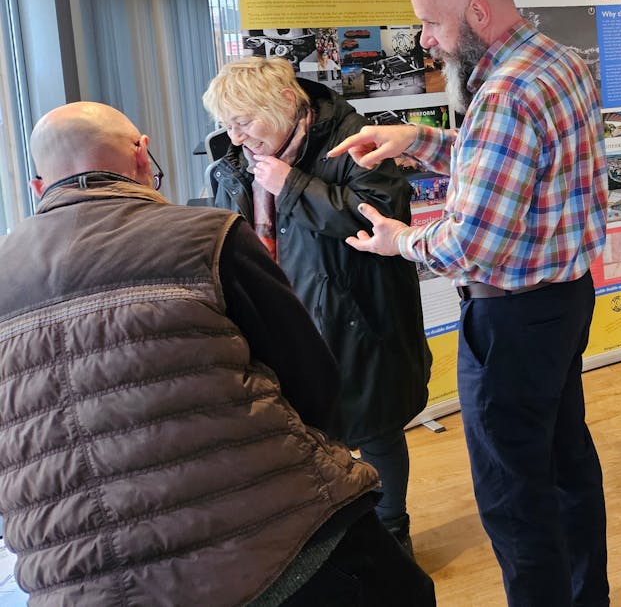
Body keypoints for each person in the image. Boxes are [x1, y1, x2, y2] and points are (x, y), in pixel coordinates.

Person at [0, 102, 434, 606]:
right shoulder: (206, 236)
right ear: (143, 156)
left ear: (37, 188)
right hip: (268, 541)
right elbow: (313, 381)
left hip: (74, 581)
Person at [326, 0, 610, 607]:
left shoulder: (505, 91)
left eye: (432, 24)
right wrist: (415, 140)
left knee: (516, 500)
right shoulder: (556, 60)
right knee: (567, 468)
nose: (425, 42)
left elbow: (474, 242)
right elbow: (508, 160)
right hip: (563, 302)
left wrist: (401, 241)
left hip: (511, 321)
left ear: (477, 12)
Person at [202, 57, 432, 552]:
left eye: (244, 121)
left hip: (358, 318)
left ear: (286, 102)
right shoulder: (232, 156)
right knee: (305, 438)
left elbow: (379, 222)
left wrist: (292, 187)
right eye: (227, 124)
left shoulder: (354, 139)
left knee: (377, 431)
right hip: (279, 321)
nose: (236, 137)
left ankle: (393, 531)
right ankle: (335, 540)